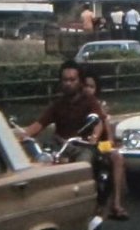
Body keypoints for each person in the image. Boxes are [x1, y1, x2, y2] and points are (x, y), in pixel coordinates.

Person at [21, 60, 106, 168]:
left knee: (82, 165)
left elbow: (97, 122)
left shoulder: (89, 101)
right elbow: (40, 123)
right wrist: (23, 136)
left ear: (80, 81)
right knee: (40, 161)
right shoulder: (58, 104)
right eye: (65, 80)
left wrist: (94, 137)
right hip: (60, 146)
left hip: (82, 146)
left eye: (72, 80)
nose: (68, 83)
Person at [83, 70, 129, 221]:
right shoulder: (75, 106)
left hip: (99, 145)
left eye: (91, 86)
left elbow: (108, 135)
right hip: (79, 145)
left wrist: (102, 142)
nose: (88, 89)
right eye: (85, 86)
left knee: (117, 157)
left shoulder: (100, 107)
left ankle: (116, 204)